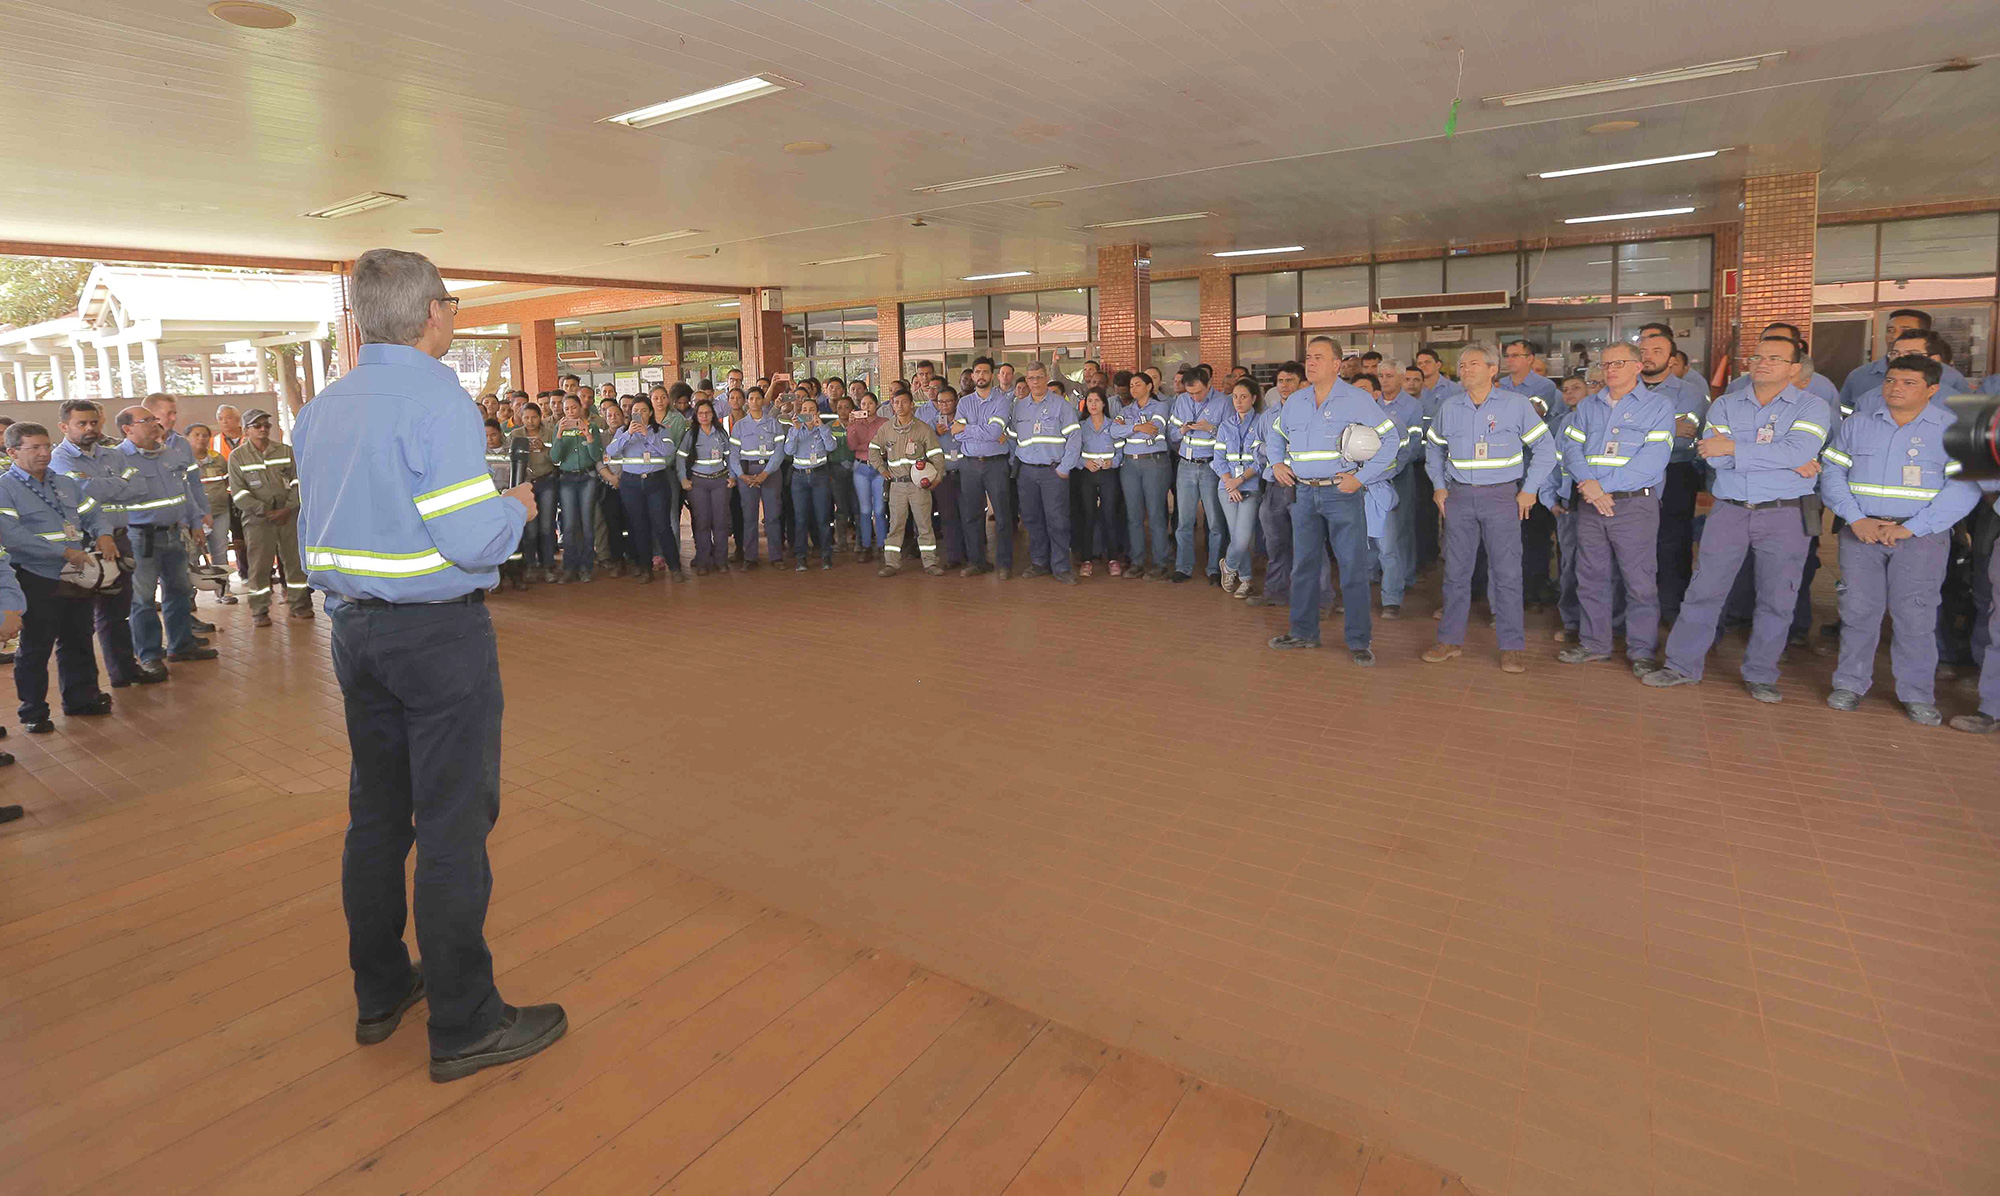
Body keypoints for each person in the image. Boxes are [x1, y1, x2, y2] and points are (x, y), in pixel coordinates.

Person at [294, 247, 563, 1083]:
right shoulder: (436, 397)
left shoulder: (324, 405)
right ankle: (466, 1023)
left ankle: (381, 992)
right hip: (436, 640)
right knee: (452, 825)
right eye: (452, 304)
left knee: (377, 817)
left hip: (353, 634)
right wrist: (515, 507)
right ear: (433, 311)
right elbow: (468, 533)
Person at [1643, 335, 1832, 701]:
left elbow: (1800, 449)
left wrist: (1735, 448)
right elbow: (1712, 456)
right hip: (1728, 511)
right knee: (1703, 590)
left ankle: (1761, 673)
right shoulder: (1726, 404)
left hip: (1784, 514)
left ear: (1795, 368)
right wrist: (1782, 458)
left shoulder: (1812, 407)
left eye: (1774, 358)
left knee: (1777, 597)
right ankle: (1681, 666)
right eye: (1757, 357)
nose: (1761, 363)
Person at [1819, 355, 1979, 724]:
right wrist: (1855, 518)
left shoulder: (1952, 429)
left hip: (1920, 536)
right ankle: (1849, 683)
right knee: (1858, 611)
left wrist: (1913, 528)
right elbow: (1831, 473)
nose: (1895, 388)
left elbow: (1964, 488)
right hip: (1862, 533)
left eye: (1908, 383)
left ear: (1932, 389)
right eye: (1891, 380)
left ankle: (1916, 694)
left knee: (1916, 616)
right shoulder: (1857, 425)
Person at [1420, 343, 1556, 674]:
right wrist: (1439, 485)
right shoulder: (1450, 407)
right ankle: (1450, 640)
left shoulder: (1516, 405)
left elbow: (1545, 449)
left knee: (1506, 573)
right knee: (1455, 572)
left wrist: (1529, 491)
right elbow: (1435, 450)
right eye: (1462, 364)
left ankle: (1511, 646)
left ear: (1493, 370)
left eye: (1473, 364)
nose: (1465, 369)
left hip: (1502, 498)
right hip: (1460, 497)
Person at [1267, 336, 1402, 664]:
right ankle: (1303, 632)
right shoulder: (1296, 401)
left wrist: (1361, 477)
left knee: (1353, 568)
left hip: (1341, 493)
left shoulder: (1356, 399)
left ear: (1336, 365)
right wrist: (1276, 462)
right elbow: (1275, 434)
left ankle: (1358, 640)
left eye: (1318, 357)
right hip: (1302, 493)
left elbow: (1391, 439)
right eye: (1308, 357)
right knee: (1304, 567)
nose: (1310, 363)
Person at [1552, 344, 1675, 674]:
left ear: (1637, 366)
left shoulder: (1658, 407)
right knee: (1591, 577)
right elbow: (1571, 447)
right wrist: (1590, 486)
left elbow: (1652, 462)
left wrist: (1602, 486)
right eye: (1605, 364)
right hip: (1591, 505)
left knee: (1639, 581)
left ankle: (1641, 650)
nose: (1610, 370)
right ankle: (1595, 644)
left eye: (1618, 363)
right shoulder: (1589, 406)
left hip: (1634, 504)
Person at [0, 422, 121, 732]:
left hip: (74, 574)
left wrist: (104, 534)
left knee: (78, 638)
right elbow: (12, 535)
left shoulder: (65, 483)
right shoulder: (5, 489)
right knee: (36, 647)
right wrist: (62, 553)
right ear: (12, 452)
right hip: (35, 575)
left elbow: (93, 512)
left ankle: (81, 699)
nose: (45, 453)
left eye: (47, 446)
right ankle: (34, 711)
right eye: (35, 448)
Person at [51, 399, 161, 685]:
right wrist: (115, 485)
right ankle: (83, 690)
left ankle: (124, 672)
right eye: (81, 424)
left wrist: (94, 483)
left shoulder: (112, 455)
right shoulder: (59, 459)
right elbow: (78, 492)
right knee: (79, 622)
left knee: (117, 614)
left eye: (94, 422)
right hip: (84, 545)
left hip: (120, 541)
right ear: (64, 426)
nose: (90, 428)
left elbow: (139, 488)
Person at [118, 405, 218, 668]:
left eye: (154, 419)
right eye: (145, 420)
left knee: (179, 591)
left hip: (174, 533)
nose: (154, 424)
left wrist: (195, 522)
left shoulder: (169, 455)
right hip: (141, 539)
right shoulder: (117, 460)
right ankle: (150, 655)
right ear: (127, 429)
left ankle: (181, 645)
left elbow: (184, 491)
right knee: (143, 599)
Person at [228, 407, 314, 625]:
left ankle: (299, 604)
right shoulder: (238, 457)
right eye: (257, 426)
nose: (263, 429)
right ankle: (259, 610)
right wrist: (263, 510)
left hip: (288, 516)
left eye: (267, 425)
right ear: (246, 430)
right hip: (258, 520)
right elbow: (238, 492)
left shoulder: (285, 451)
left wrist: (288, 508)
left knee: (295, 562)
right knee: (259, 566)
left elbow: (298, 482)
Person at [1010, 362, 1083, 584]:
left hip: (1053, 472)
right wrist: (1016, 462)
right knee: (1032, 519)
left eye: (1039, 377)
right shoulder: (1019, 407)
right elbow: (1014, 437)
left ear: (1046, 378)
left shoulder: (1062, 405)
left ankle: (1061, 567)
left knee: (1057, 521)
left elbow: (1074, 438)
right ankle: (1039, 563)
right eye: (1031, 378)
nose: (1035, 382)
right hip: (1027, 473)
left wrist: (1064, 468)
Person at [868, 390, 947, 577]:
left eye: (904, 402)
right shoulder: (886, 429)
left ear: (912, 404)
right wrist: (881, 469)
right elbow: (873, 449)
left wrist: (937, 478)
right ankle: (892, 563)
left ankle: (930, 562)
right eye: (896, 402)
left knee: (924, 524)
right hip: (896, 486)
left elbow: (936, 455)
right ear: (892, 405)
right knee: (896, 525)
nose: (900, 406)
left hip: (918, 486)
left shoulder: (923, 429)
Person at [1364, 366, 1422, 617]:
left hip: (1384, 489)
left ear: (1375, 394)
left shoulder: (1394, 422)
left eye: (1365, 392)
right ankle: (1360, 594)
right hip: (1355, 493)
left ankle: (1391, 598)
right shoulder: (1348, 424)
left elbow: (1403, 456)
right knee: (1361, 548)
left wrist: (1374, 475)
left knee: (1389, 545)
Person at [603, 395, 678, 584]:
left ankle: (675, 567)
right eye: (635, 411)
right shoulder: (622, 431)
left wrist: (648, 435)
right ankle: (645, 568)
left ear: (651, 412)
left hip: (657, 482)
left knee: (662, 525)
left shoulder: (660, 431)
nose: (639, 414)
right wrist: (628, 434)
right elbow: (611, 452)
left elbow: (668, 452)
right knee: (639, 526)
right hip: (631, 483)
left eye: (643, 410)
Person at [953, 358, 1016, 578]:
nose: (981, 376)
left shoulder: (1002, 401)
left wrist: (967, 428)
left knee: (1002, 515)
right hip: (969, 464)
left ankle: (1004, 564)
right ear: (972, 376)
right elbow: (955, 432)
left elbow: (993, 432)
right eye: (977, 372)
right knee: (971, 515)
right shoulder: (964, 402)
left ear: (992, 375)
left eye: (985, 372)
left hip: (995, 465)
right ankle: (977, 562)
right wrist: (980, 430)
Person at [1169, 364, 1228, 585]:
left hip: (1211, 467)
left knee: (1214, 522)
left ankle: (1214, 568)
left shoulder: (1223, 402)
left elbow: (1232, 434)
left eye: (1198, 392)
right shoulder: (1181, 401)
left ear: (1209, 384)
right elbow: (1172, 434)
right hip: (1185, 465)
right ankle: (1183, 567)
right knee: (1184, 520)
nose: (1194, 398)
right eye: (1190, 393)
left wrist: (1210, 428)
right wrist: (1182, 430)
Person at [1112, 370, 1172, 580]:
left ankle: (1160, 563)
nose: (1133, 388)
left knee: (1155, 514)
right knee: (1134, 516)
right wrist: (1137, 426)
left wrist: (1128, 428)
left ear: (1149, 387)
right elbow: (1113, 430)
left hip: (1154, 463)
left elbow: (1154, 429)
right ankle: (1137, 562)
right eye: (1131, 385)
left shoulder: (1160, 406)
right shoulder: (1126, 409)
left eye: (1138, 384)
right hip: (1130, 465)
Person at [1838, 309, 1966, 405]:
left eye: (1905, 331)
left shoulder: (1951, 379)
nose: (1894, 336)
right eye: (1890, 330)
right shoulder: (1860, 377)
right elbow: (1845, 414)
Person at [1212, 379, 1263, 597]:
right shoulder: (1226, 426)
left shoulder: (1262, 423)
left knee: (1242, 538)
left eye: (1243, 396)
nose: (1238, 401)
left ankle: (1228, 566)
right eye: (1235, 396)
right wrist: (1229, 483)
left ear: (1253, 398)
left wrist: (1239, 481)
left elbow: (1261, 461)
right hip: (1226, 487)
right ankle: (1246, 579)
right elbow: (1219, 459)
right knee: (1236, 535)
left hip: (1249, 486)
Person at [547, 395, 602, 583]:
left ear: (580, 408)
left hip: (587, 477)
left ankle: (586, 566)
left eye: (574, 408)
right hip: (567, 479)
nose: (570, 411)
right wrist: (560, 435)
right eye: (567, 408)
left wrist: (588, 435)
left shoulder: (592, 426)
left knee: (587, 524)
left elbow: (595, 456)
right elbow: (555, 457)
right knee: (569, 525)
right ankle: (570, 567)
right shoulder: (558, 428)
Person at [679, 399, 735, 575]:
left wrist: (732, 476)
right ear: (696, 415)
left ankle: (721, 560)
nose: (704, 416)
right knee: (702, 522)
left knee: (720, 522)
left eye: (708, 413)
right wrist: (683, 479)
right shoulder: (691, 434)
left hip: (720, 481)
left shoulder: (720, 433)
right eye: (701, 413)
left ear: (713, 414)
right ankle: (703, 560)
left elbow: (730, 456)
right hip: (698, 483)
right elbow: (680, 457)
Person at [1074, 387, 1124, 578]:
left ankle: (1113, 558)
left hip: (1108, 474)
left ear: (1104, 403)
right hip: (1087, 475)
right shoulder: (1081, 426)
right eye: (1089, 401)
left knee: (1109, 515)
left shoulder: (1113, 426)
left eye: (1096, 400)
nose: (1093, 404)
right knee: (1088, 515)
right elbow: (1074, 451)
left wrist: (1113, 462)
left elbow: (1120, 451)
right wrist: (1083, 463)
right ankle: (1087, 559)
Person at [785, 396, 837, 571]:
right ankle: (801, 557)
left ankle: (826, 555)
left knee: (822, 517)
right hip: (799, 478)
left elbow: (831, 447)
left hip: (820, 476)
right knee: (800, 518)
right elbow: (789, 450)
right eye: (804, 410)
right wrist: (795, 430)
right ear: (799, 413)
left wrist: (820, 426)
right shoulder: (795, 430)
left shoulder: (823, 428)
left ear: (817, 412)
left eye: (811, 410)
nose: (808, 413)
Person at [844, 393, 887, 564]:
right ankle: (867, 546)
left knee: (880, 509)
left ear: (876, 405)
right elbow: (852, 445)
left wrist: (869, 447)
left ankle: (883, 546)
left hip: (879, 468)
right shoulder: (855, 423)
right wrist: (851, 427)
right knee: (864, 510)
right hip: (861, 467)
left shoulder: (884, 422)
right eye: (863, 404)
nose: (867, 407)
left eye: (870, 403)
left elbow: (886, 445)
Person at [927, 388, 967, 569]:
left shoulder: (965, 420)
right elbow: (923, 446)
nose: (944, 405)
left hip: (966, 474)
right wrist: (936, 434)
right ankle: (954, 556)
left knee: (968, 515)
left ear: (956, 401)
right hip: (943, 476)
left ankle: (971, 552)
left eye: (948, 401)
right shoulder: (931, 424)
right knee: (948, 516)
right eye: (940, 402)